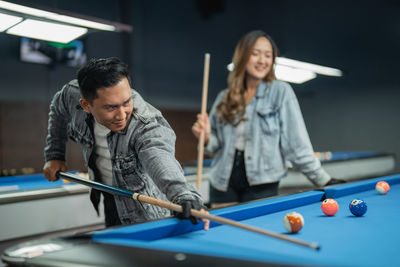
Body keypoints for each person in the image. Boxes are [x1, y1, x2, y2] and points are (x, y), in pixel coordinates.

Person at [43, 57, 209, 230]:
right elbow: (58, 107)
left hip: (146, 212)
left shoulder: (146, 125)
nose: (122, 115)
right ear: (86, 105)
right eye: (111, 108)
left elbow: (160, 159)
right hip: (109, 194)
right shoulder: (71, 95)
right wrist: (55, 154)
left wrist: (185, 196)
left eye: (127, 102)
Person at [192, 30, 343, 208]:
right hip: (223, 180)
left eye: (268, 55)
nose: (262, 60)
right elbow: (216, 146)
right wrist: (207, 136)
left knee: (255, 232)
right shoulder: (224, 97)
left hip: (263, 181)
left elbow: (296, 144)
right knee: (222, 230)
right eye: (255, 54)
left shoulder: (280, 91)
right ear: (242, 56)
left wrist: (323, 179)